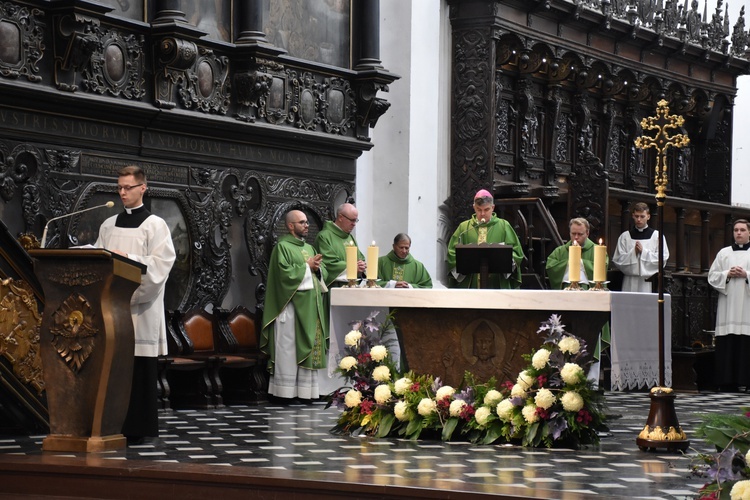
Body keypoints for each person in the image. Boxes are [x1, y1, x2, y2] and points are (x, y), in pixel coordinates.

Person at [95, 166, 176, 444]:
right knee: (112, 368)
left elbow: (160, 266)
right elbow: (99, 260)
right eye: (119, 187)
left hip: (141, 309)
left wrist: (125, 256)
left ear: (143, 188)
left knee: (138, 371)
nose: (122, 193)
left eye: (128, 187)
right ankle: (109, 425)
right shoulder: (108, 225)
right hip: (111, 309)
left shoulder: (155, 225)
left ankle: (138, 429)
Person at [261, 210, 329, 400]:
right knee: (288, 349)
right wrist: (307, 267)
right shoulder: (282, 247)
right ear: (291, 226)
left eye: (307, 222)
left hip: (311, 307)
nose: (307, 225)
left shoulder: (310, 247)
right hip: (289, 307)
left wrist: (317, 269)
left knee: (306, 346)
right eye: (302, 222)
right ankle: (284, 393)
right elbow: (284, 275)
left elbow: (321, 275)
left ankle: (305, 393)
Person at [446, 189, 524, 289]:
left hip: (496, 282)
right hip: (471, 283)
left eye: (486, 209)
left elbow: (517, 253)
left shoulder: (504, 226)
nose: (482, 214)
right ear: (474, 208)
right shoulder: (464, 228)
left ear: (493, 208)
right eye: (479, 209)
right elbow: (452, 253)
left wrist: (503, 260)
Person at [708, 219, 750, 392]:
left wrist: (746, 274)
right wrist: (727, 273)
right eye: (735, 230)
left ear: (749, 232)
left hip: (746, 307)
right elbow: (712, 276)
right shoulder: (723, 253)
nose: (738, 233)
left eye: (742, 230)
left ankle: (746, 381)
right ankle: (727, 381)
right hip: (728, 306)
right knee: (728, 341)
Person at [612, 202, 669, 293]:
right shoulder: (625, 236)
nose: (639, 219)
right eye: (636, 216)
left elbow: (663, 258)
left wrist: (644, 252)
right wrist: (633, 252)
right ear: (633, 216)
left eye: (642, 216)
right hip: (629, 280)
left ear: (648, 217)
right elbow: (618, 259)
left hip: (649, 281)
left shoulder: (657, 236)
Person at [314, 203, 366, 288]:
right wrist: (352, 267)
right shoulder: (324, 236)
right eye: (352, 220)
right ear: (341, 217)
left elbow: (360, 257)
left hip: (353, 286)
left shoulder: (349, 237)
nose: (354, 224)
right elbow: (329, 264)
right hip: (335, 288)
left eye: (355, 220)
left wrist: (361, 264)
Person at [546, 218, 606, 290]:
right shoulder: (560, 251)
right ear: (569, 233)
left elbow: (603, 268)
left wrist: (581, 263)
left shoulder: (598, 250)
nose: (576, 237)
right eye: (573, 234)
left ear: (587, 233)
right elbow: (550, 267)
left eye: (580, 234)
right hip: (566, 290)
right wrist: (569, 263)